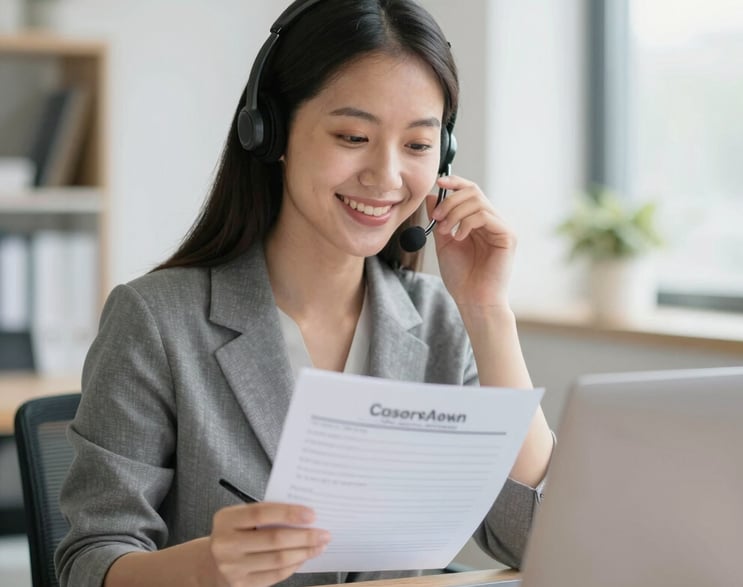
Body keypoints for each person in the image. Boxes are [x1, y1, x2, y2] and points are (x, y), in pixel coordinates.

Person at [55, 0, 555, 586]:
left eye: (418, 145)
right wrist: (205, 567)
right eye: (352, 135)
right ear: (271, 131)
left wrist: (488, 311)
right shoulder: (158, 320)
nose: (387, 176)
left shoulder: (438, 319)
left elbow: (536, 541)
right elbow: (88, 562)